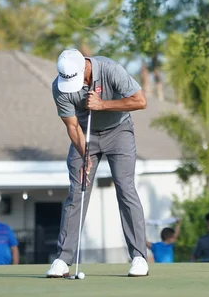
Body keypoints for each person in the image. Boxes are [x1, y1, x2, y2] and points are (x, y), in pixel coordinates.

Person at [47, 48, 149, 278]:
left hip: (119, 131)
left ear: (85, 66)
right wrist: (85, 157)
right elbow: (72, 126)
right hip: (85, 134)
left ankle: (139, 257)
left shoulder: (110, 69)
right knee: (77, 192)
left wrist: (103, 105)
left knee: (125, 188)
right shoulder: (60, 86)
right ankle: (63, 260)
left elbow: (141, 101)